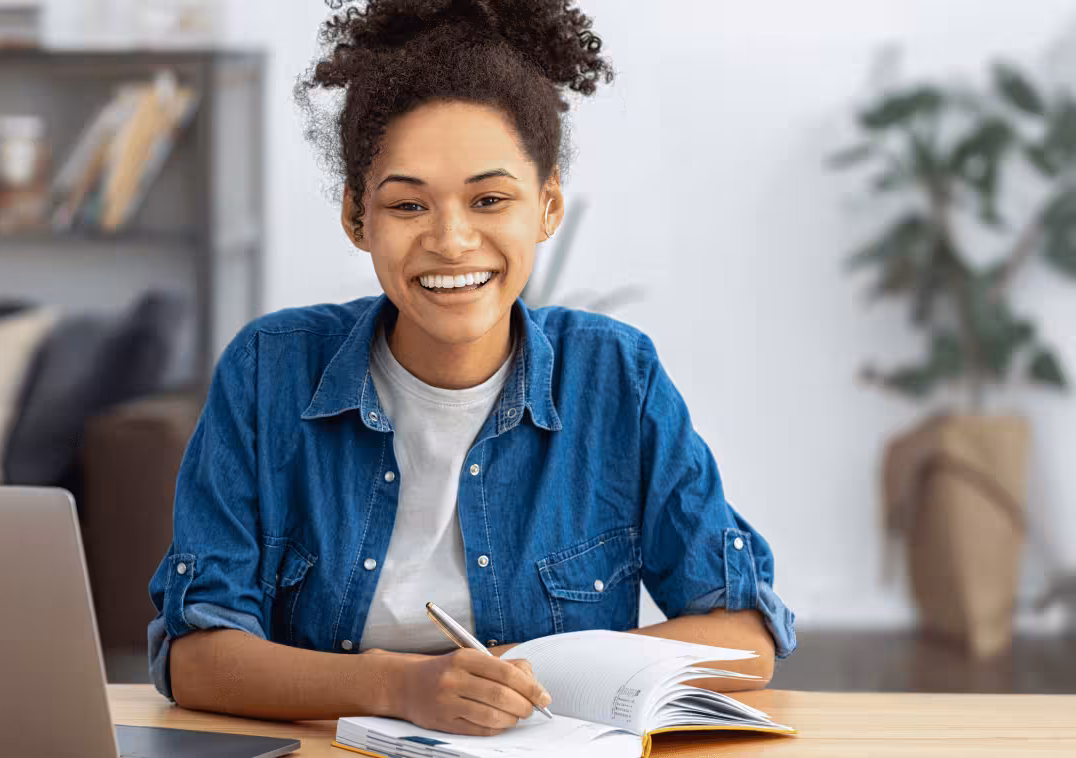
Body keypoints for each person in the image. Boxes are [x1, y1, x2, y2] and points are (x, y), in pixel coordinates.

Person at [148, 0, 796, 737]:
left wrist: (510, 676)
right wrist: (401, 686)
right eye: (408, 205)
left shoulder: (617, 376)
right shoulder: (269, 372)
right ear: (357, 216)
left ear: (547, 206)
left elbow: (745, 639)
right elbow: (195, 657)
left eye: (490, 199)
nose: (452, 241)